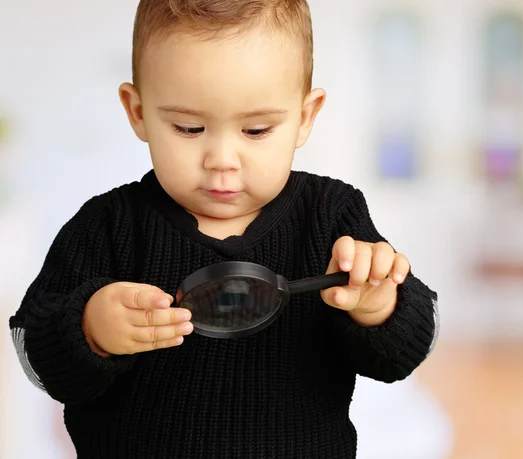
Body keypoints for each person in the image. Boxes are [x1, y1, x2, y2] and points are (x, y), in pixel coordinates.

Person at [8, 1, 439, 457]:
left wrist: (380, 305)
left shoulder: (332, 217)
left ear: (305, 117)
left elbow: (410, 347)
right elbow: (32, 356)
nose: (222, 159)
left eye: (256, 130)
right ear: (137, 111)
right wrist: (89, 328)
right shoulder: (107, 227)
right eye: (189, 128)